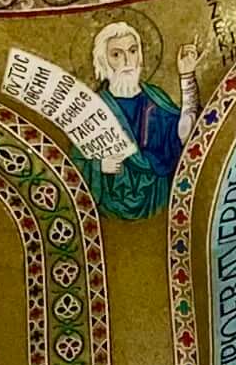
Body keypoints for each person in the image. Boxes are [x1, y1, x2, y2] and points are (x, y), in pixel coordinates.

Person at [80, 22, 195, 221]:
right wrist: (98, 166)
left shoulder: (155, 97)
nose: (126, 60)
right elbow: (73, 163)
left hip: (157, 196)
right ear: (103, 61)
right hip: (112, 203)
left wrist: (187, 77)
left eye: (132, 51)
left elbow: (184, 135)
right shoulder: (94, 108)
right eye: (116, 54)